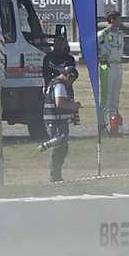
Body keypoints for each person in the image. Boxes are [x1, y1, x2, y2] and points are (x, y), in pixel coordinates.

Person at [41, 32, 79, 182]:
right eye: (57, 41)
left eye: (62, 41)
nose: (59, 44)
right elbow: (60, 103)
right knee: (60, 144)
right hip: (55, 116)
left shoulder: (68, 59)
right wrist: (73, 106)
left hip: (59, 112)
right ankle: (53, 175)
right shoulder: (58, 85)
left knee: (62, 144)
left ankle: (55, 174)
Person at [96, 8, 126, 134]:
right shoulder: (102, 34)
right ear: (112, 20)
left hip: (118, 64)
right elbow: (95, 50)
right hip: (105, 65)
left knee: (115, 97)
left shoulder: (120, 34)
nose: (120, 22)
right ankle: (101, 124)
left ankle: (114, 125)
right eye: (118, 19)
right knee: (106, 96)